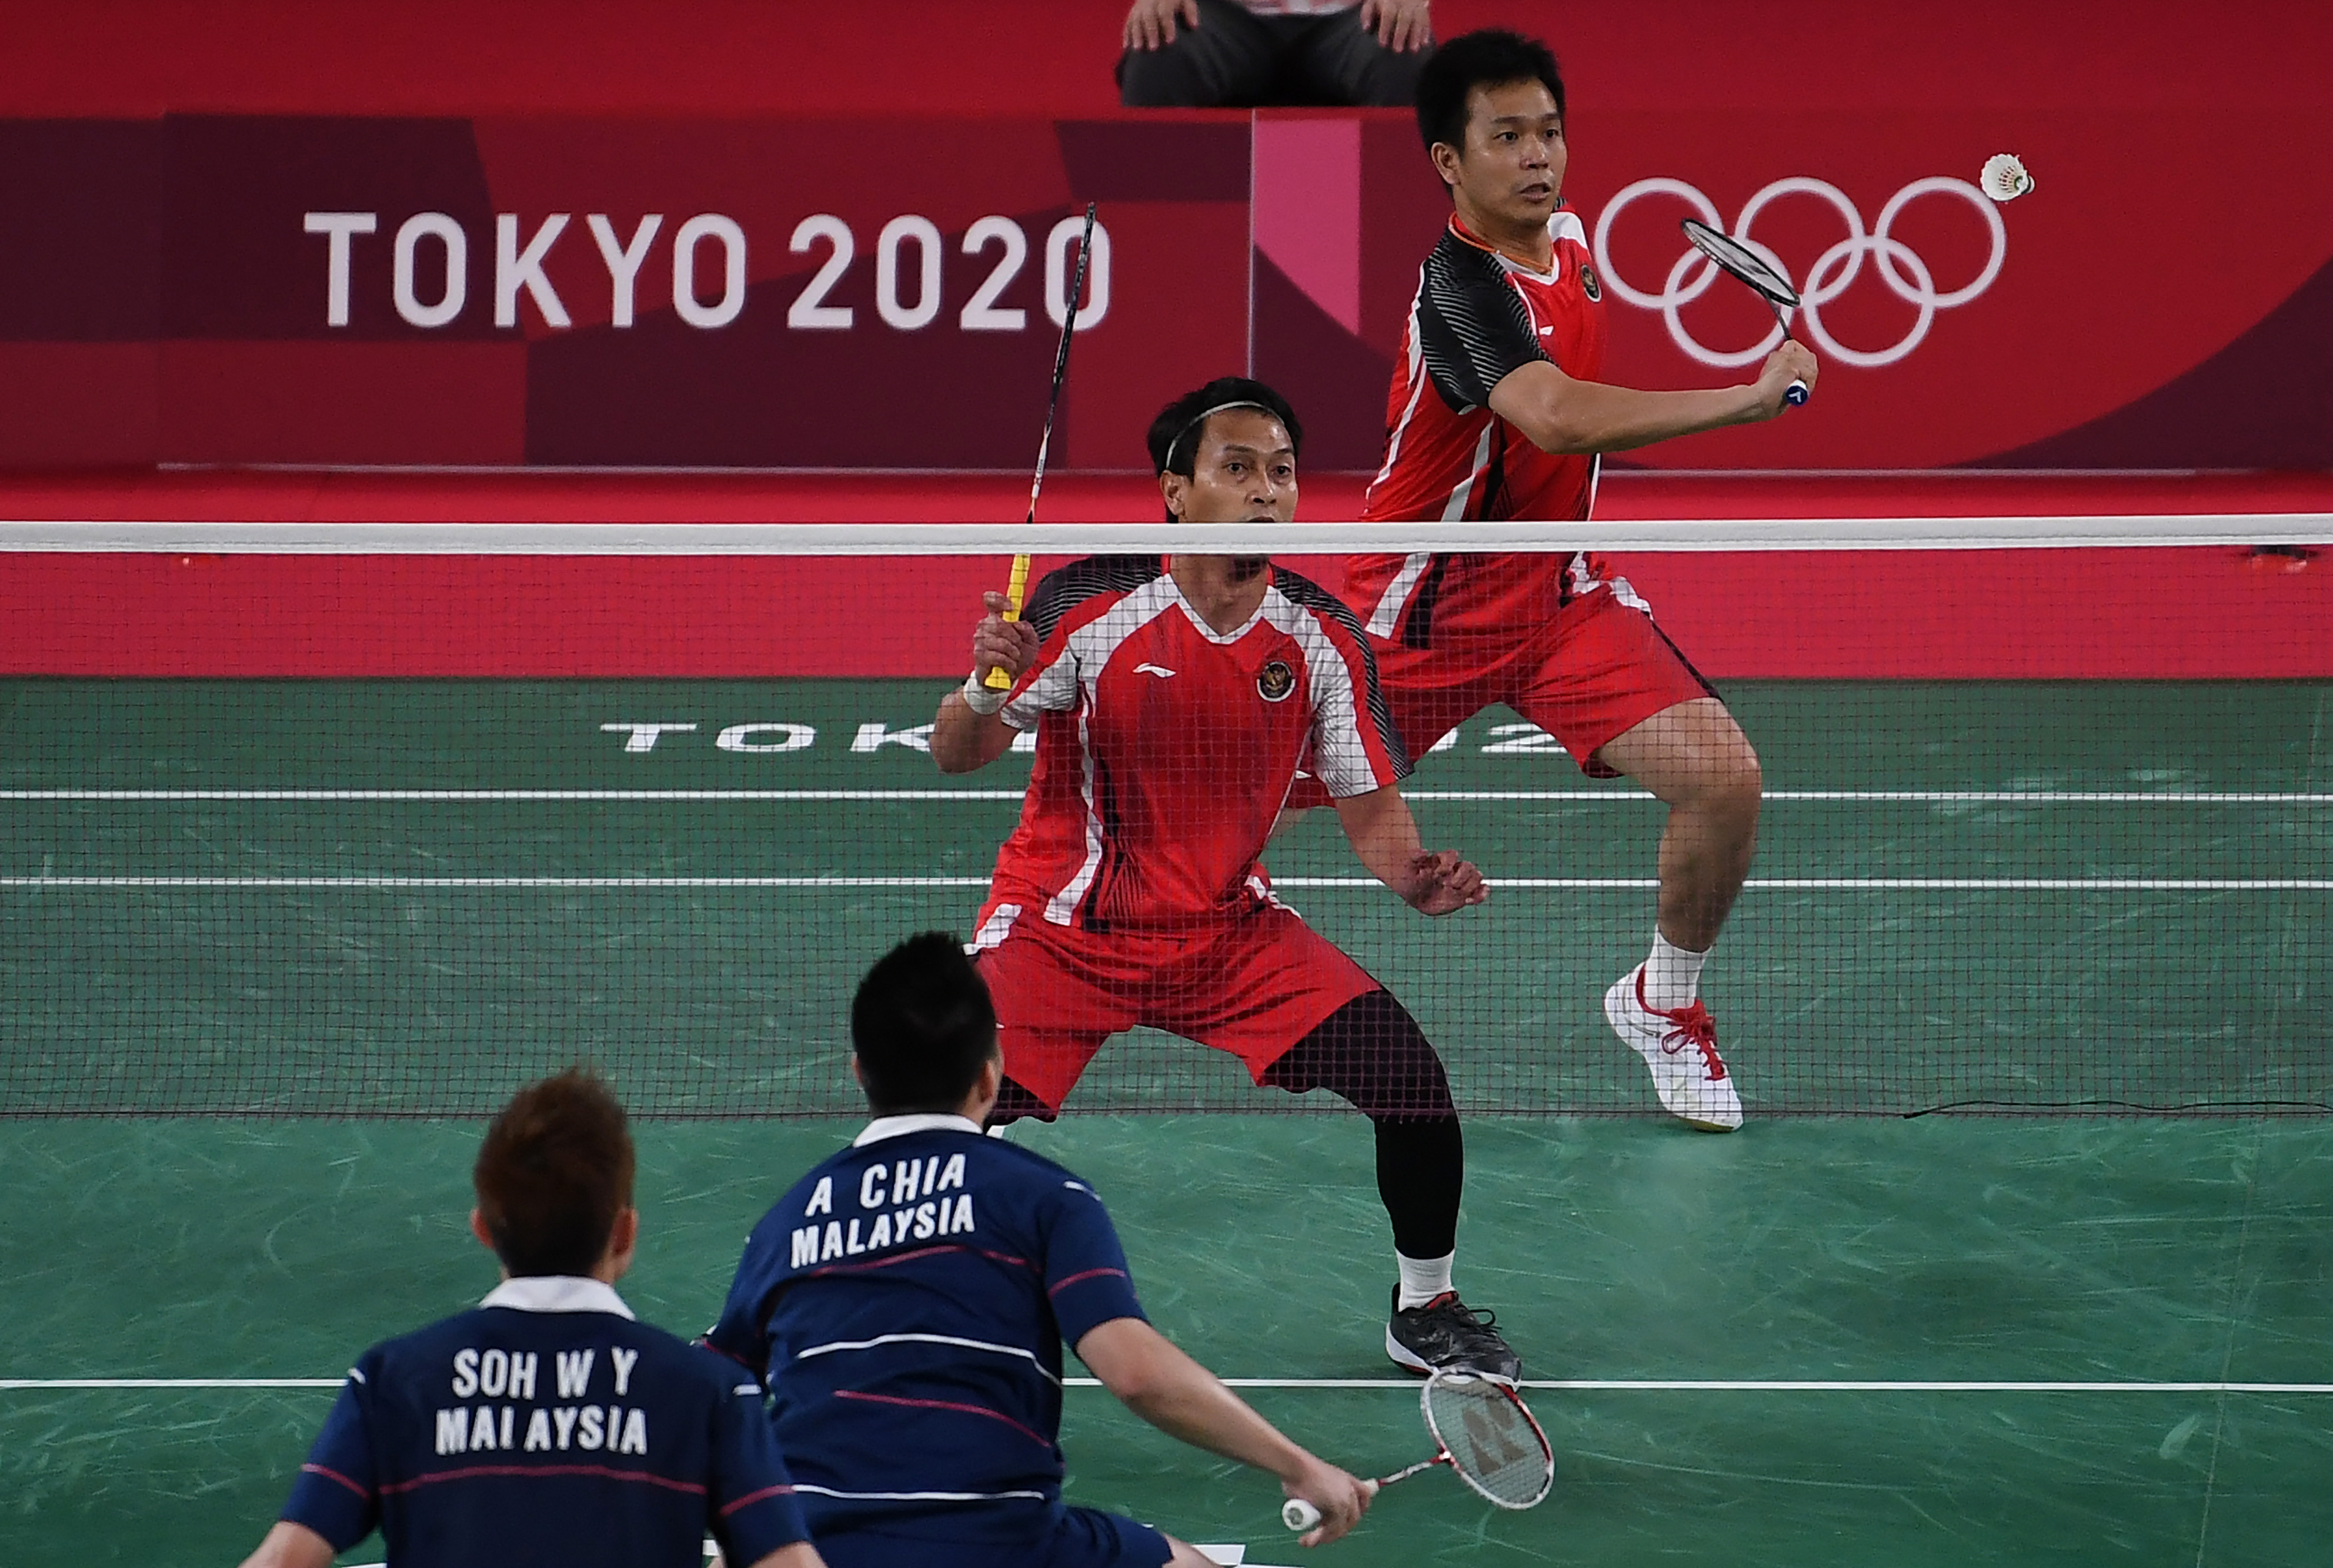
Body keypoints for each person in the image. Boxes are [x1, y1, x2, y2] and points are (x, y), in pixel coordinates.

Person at [927, 375, 1521, 1385]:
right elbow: (957, 753)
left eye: (1280, 472)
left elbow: (1368, 803)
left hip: (1224, 933)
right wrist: (984, 682)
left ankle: (1426, 1308)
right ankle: (917, 1312)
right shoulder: (1087, 602)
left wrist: (1415, 881)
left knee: (1411, 1083)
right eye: (1236, 468)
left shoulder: (1322, 636)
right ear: (1177, 490)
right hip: (1065, 931)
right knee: (942, 1121)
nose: (1264, 490)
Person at [1331, 29, 1823, 1133]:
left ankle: (1664, 1003)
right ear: (1450, 164)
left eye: (1548, 131)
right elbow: (1550, 410)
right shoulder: (1457, 290)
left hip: (1559, 603)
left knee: (1724, 779)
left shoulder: (1575, 241)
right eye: (1505, 137)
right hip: (1423, 609)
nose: (1537, 157)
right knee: (1235, 795)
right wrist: (1741, 401)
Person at [703, 934, 1371, 1567]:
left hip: (810, 1548)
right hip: (1000, 1542)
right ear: (991, 1078)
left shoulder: (788, 1220)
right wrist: (1301, 1466)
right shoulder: (1042, 1196)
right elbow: (1136, 1374)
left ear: (859, 1073)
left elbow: (709, 1389)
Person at [234, 1069, 822, 1568]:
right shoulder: (708, 1397)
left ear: (484, 1229)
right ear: (625, 1234)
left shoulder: (394, 1383)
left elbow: (284, 1558)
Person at [1118, 0, 1433, 108]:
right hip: (1223, 16)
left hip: (1351, 18)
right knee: (1159, 49)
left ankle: (1405, 234)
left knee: (1402, 54)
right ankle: (1151, 234)